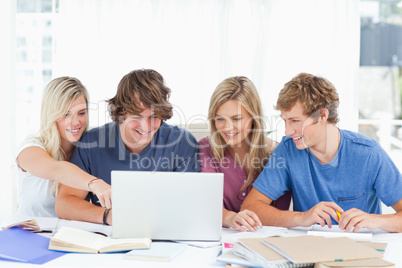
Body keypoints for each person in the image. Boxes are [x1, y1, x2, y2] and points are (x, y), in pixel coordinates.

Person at [242, 72, 402, 233]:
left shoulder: (368, 154)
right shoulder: (288, 150)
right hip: (310, 249)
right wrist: (302, 218)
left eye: (295, 121)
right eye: (285, 120)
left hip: (359, 250)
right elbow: (250, 207)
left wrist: (374, 220)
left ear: (323, 115)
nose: (287, 131)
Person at [55, 69, 200, 225]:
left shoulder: (182, 143)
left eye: (154, 116)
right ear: (121, 113)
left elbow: (191, 206)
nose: (145, 126)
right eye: (136, 116)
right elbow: (65, 204)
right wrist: (108, 216)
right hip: (108, 239)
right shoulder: (91, 143)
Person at [199, 76, 291, 232]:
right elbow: (206, 205)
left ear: (253, 118)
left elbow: (280, 213)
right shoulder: (206, 149)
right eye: (220, 119)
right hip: (222, 237)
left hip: (267, 236)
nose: (228, 128)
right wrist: (230, 218)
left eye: (236, 119)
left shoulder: (277, 154)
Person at [16, 77, 112, 218]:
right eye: (66, 114)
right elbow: (58, 170)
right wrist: (95, 183)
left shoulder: (87, 151)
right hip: (31, 234)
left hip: (71, 235)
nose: (75, 122)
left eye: (81, 113)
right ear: (51, 115)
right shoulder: (29, 150)